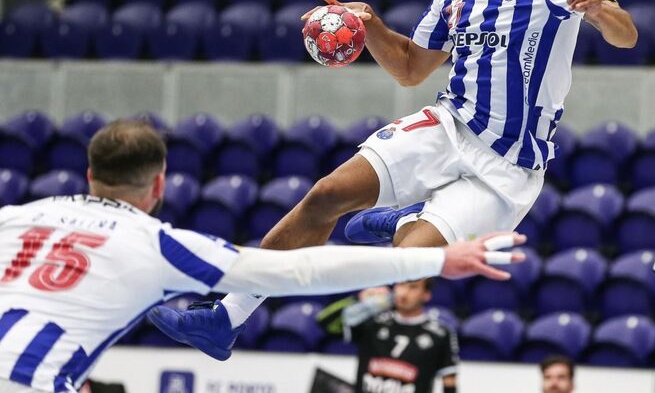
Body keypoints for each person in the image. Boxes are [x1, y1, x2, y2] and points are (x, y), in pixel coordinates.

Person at [150, 0, 638, 359]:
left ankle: (403, 221)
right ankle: (225, 318)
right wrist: (371, 26)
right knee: (326, 195)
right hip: (449, 126)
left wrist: (598, 11)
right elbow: (410, 67)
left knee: (406, 263)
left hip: (507, 167)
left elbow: (626, 35)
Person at [0, 120, 524, 392]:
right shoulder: (156, 243)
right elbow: (298, 270)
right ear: (159, 186)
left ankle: (223, 321)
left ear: (89, 174)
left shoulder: (14, 217)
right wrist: (435, 261)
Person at [344, 282, 457, 393]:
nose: (404, 292)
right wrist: (362, 301)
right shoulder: (372, 321)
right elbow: (337, 323)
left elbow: (449, 381)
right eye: (401, 285)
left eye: (413, 287)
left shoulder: (440, 334)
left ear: (426, 294)